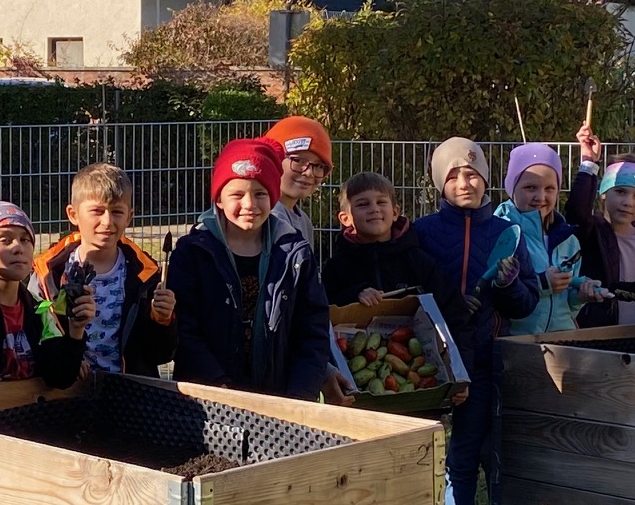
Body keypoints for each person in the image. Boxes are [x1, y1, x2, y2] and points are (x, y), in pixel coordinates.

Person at [411, 138, 540, 505]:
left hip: (482, 362)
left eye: (472, 174)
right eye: (453, 175)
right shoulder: (422, 233)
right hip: (425, 365)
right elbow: (408, 292)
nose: (464, 182)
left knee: (464, 460)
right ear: (438, 182)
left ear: (486, 179)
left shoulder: (507, 233)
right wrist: (445, 308)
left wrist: (507, 287)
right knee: (417, 458)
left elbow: (526, 302)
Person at [167, 137, 332, 398]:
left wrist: (299, 396)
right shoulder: (192, 253)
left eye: (260, 194)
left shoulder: (295, 254)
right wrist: (219, 388)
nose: (249, 205)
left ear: (273, 198)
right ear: (219, 199)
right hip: (207, 400)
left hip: (279, 399)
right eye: (237, 194)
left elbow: (312, 331)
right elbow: (185, 330)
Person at [31, 164, 176, 380]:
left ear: (129, 217)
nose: (107, 222)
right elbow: (37, 338)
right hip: (67, 391)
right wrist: (68, 356)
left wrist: (162, 320)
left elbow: (159, 355)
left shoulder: (146, 276)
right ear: (73, 214)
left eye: (117, 212)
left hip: (129, 392)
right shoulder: (48, 276)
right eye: (97, 211)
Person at [0, 200, 90, 387]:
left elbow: (59, 378)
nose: (18, 248)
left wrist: (76, 331)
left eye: (25, 240)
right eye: (5, 240)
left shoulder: (39, 309)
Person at [322, 172, 466, 327]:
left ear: (395, 212)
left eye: (381, 202)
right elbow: (321, 308)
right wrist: (354, 294)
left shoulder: (418, 261)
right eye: (363, 204)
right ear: (345, 218)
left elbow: (453, 310)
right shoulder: (336, 267)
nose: (374, 209)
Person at [567, 127, 635, 329]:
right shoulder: (592, 232)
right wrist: (589, 163)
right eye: (620, 191)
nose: (628, 202)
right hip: (600, 334)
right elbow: (577, 212)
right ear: (603, 193)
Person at [497, 141, 598, 336]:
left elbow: (567, 308)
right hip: (516, 344)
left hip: (563, 343)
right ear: (511, 188)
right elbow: (497, 296)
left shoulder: (569, 241)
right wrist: (541, 284)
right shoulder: (503, 235)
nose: (540, 196)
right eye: (530, 187)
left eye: (550, 188)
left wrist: (580, 297)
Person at [263, 116, 334, 250]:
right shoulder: (263, 216)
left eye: (319, 166)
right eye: (298, 160)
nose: (309, 173)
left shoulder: (304, 222)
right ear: (272, 160)